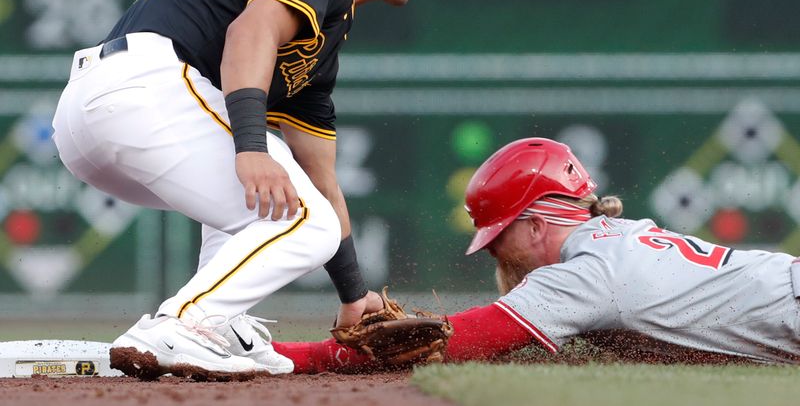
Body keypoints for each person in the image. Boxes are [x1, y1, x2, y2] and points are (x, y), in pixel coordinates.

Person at [51, 0, 467, 380]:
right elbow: (251, 30)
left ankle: (221, 324)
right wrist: (251, 146)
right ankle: (185, 324)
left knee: (281, 198)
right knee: (295, 212)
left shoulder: (324, 36)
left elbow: (320, 180)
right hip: (143, 89)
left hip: (99, 115)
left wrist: (354, 294)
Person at [272, 137, 800, 371]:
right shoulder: (617, 237)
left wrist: (282, 356)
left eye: (499, 235)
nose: (493, 251)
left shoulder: (587, 276)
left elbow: (448, 344)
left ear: (536, 224)